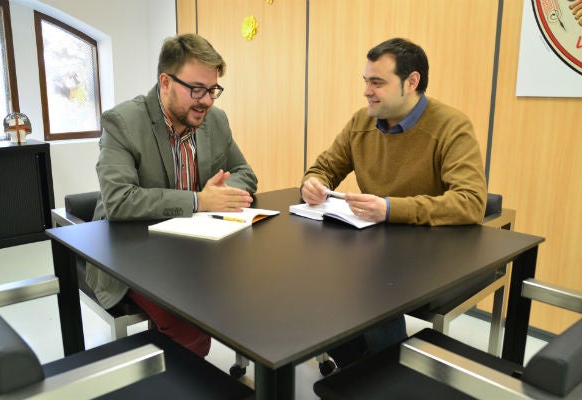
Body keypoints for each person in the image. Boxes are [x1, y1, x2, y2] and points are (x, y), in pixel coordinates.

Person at [301, 38, 487, 368]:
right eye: (366, 81)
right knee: (311, 279)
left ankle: (383, 373)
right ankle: (361, 369)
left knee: (370, 288)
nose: (367, 91)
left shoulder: (451, 126)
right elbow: (324, 167)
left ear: (411, 82)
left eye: (377, 82)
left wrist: (391, 208)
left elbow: (471, 201)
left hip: (428, 253)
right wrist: (313, 183)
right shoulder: (361, 122)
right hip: (373, 248)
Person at [87, 34, 258, 357]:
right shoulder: (123, 122)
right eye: (197, 89)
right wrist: (198, 201)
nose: (207, 101)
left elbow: (245, 173)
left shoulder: (215, 121)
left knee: (251, 293)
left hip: (196, 250)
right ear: (165, 82)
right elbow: (119, 200)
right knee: (188, 321)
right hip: (134, 255)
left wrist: (221, 193)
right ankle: (181, 378)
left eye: (212, 90)